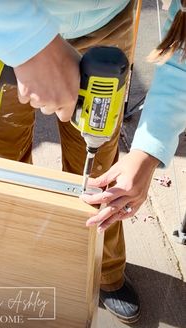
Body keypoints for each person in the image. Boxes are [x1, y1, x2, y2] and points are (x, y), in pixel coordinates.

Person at [0, 0, 181, 324]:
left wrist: (149, 148)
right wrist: (26, 41)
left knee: (101, 175)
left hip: (105, 27)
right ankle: (4, 272)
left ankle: (105, 272)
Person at [81, 0, 186, 233]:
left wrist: (147, 151)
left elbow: (181, 63)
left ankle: (105, 267)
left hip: (105, 23)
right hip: (7, 26)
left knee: (99, 181)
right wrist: (35, 47)